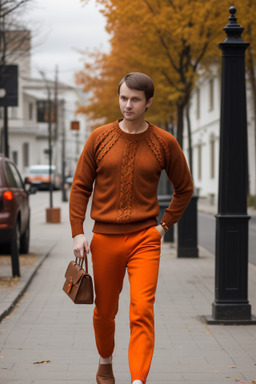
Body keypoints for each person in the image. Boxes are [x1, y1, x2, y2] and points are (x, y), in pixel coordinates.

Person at [69, 72, 193, 384]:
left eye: (135, 99)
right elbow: (80, 188)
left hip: (145, 239)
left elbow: (184, 189)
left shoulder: (164, 142)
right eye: (124, 97)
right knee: (104, 311)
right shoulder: (99, 137)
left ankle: (138, 379)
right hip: (104, 239)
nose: (128, 104)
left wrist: (162, 227)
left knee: (142, 311)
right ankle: (105, 361)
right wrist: (78, 232)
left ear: (148, 102)